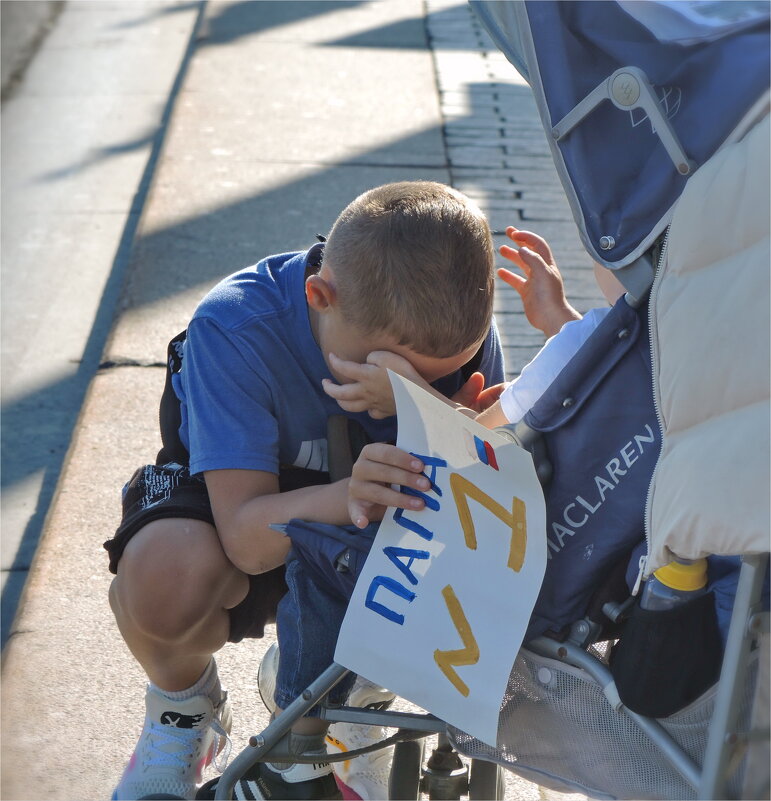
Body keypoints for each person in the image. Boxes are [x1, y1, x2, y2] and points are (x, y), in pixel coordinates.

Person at [105, 181, 510, 801]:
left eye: (441, 373)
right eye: (393, 368)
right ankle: (182, 709)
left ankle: (345, 699)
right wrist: (346, 494)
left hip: (372, 546)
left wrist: (423, 403)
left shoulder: (451, 326)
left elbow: (481, 490)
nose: (417, 383)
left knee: (467, 546)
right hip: (246, 518)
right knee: (164, 577)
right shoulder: (237, 327)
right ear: (319, 296)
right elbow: (244, 538)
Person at [196, 227, 626, 800]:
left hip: (503, 564)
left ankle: (297, 747)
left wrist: (413, 398)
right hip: (589, 576)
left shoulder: (602, 337)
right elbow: (584, 380)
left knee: (335, 559)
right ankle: (350, 698)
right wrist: (561, 324)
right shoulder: (650, 351)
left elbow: (488, 441)